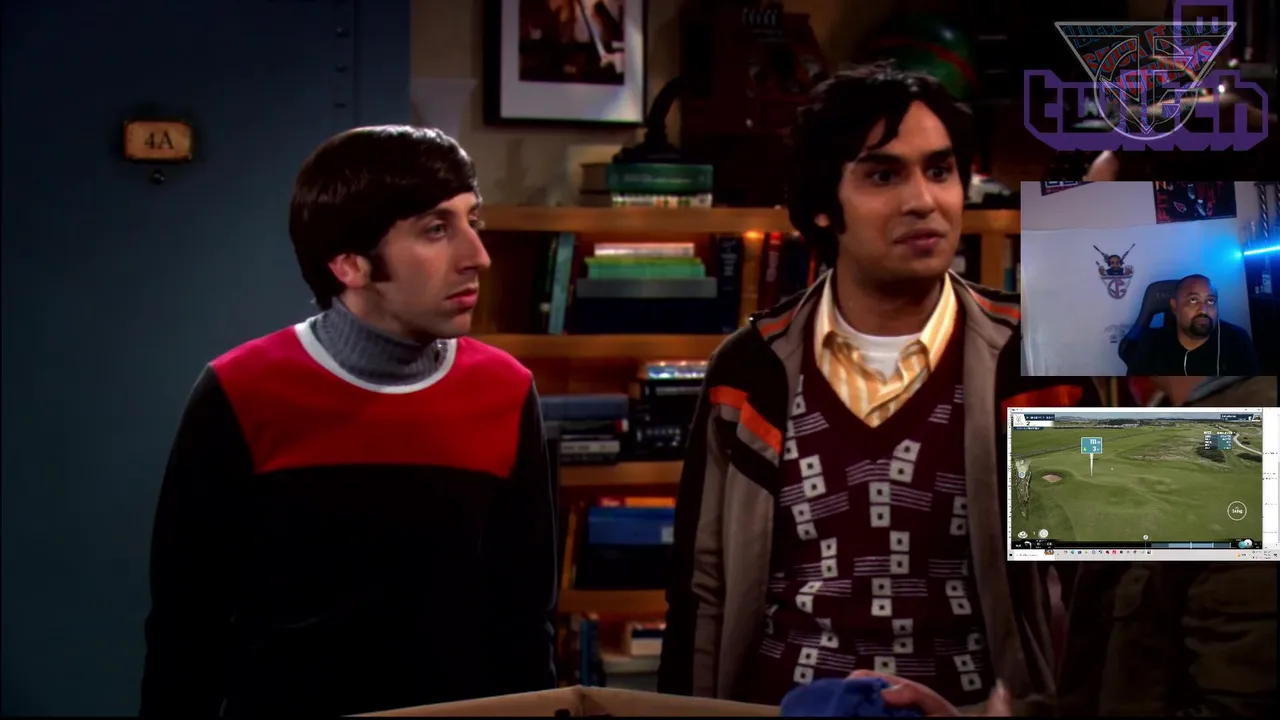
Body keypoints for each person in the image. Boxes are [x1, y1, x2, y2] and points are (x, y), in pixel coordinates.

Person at [657, 63, 1099, 715]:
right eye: (884, 175)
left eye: (940, 171)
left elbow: (1115, 592)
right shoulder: (749, 370)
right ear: (821, 206)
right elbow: (701, 591)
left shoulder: (1035, 359)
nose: (923, 200)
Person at [139, 126, 558, 717]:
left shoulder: (504, 391)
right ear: (349, 264)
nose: (477, 256)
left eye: (472, 220)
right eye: (436, 229)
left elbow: (525, 624)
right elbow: (186, 629)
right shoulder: (241, 391)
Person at [1124, 274, 1260, 376]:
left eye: (1210, 301)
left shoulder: (1237, 340)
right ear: (1174, 306)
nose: (1203, 310)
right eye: (1193, 300)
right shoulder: (1150, 343)